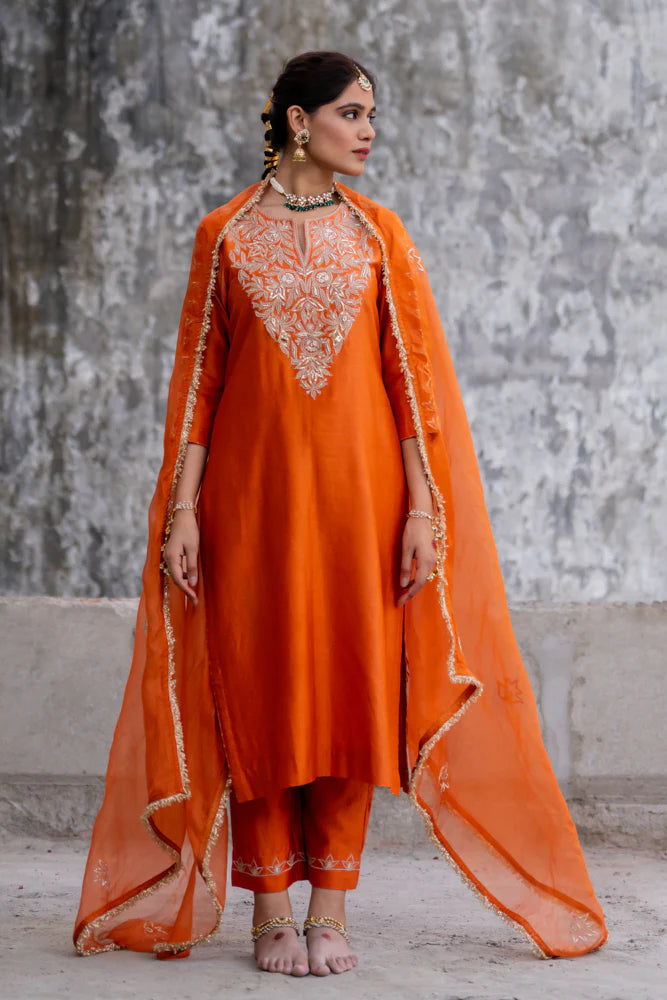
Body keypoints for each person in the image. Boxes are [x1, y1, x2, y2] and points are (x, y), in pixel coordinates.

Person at [73, 51, 608, 976]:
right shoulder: (224, 235)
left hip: (363, 504)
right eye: (351, 113)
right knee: (261, 695)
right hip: (252, 505)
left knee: (351, 699)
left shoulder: (378, 233)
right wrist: (183, 512)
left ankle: (330, 908)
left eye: (371, 115)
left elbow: (412, 390)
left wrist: (422, 512)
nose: (367, 131)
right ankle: (269, 911)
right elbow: (197, 386)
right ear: (297, 120)